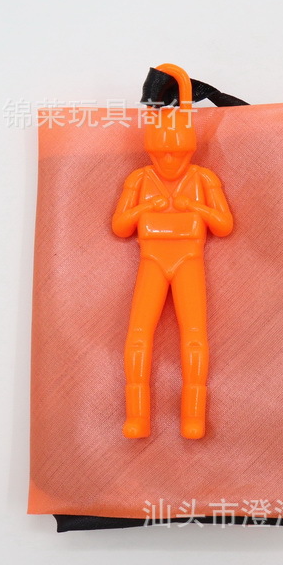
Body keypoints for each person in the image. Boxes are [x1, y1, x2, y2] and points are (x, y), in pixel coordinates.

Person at [112, 64, 233, 439]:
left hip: (188, 262)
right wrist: (145, 210)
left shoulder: (203, 178)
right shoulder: (139, 179)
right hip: (152, 261)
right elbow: (120, 225)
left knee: (194, 335)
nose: (169, 161)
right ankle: (137, 416)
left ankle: (193, 416)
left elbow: (223, 224)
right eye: (161, 153)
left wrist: (194, 207)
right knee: (138, 334)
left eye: (177, 153)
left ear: (190, 148)